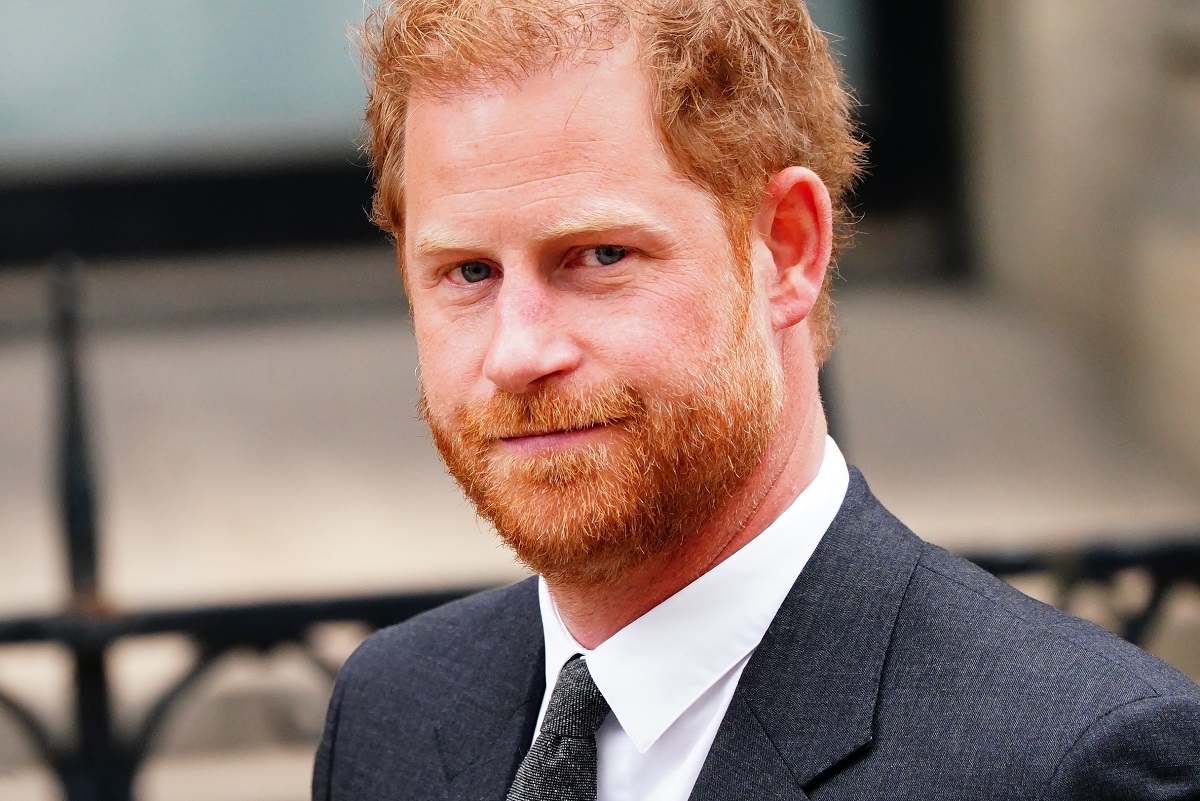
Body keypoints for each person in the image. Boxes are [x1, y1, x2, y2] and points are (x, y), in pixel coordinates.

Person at [313, 0, 1200, 798]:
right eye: (467, 271)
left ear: (788, 249)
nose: (518, 352)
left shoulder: (1070, 760)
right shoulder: (391, 713)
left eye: (600, 256)